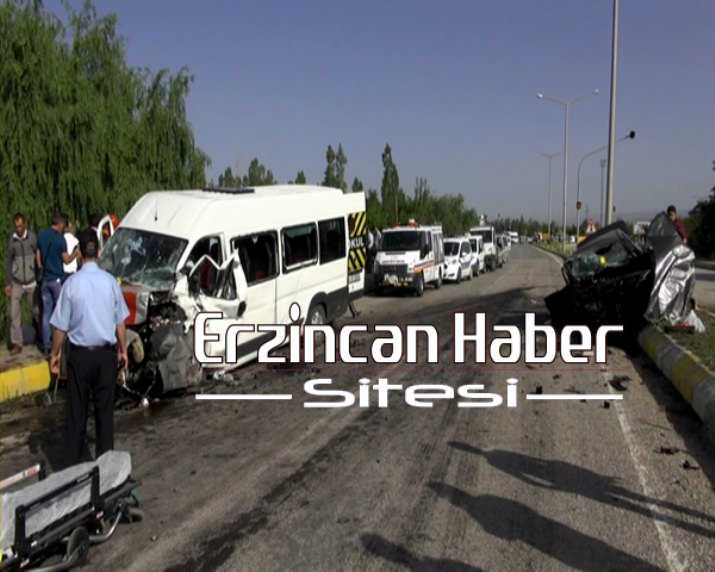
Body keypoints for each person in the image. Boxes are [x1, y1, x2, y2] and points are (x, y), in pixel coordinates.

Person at [50, 229, 129, 466]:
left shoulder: (71, 285)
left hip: (80, 358)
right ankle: (106, 475)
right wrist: (123, 350)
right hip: (106, 358)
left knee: (77, 416)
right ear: (99, 251)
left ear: (79, 253)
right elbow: (120, 323)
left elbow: (60, 328)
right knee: (105, 416)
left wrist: (54, 354)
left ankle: (74, 472)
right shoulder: (110, 283)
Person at [37, 213, 79, 356]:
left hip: (45, 280)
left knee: (46, 313)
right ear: (60, 224)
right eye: (64, 225)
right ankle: (60, 343)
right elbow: (66, 260)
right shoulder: (60, 239)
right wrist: (74, 253)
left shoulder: (41, 236)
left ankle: (46, 345)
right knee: (61, 313)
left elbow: (38, 260)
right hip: (56, 280)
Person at [5, 213, 38, 354]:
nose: (18, 229)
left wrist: (38, 275)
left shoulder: (32, 237)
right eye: (16, 226)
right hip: (17, 282)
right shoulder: (12, 241)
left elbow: (38, 256)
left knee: (36, 311)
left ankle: (41, 337)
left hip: (31, 281)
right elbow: (8, 261)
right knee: (15, 313)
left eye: (20, 226)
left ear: (25, 224)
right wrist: (8, 282)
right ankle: (17, 343)